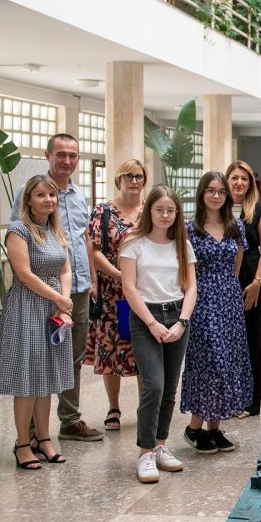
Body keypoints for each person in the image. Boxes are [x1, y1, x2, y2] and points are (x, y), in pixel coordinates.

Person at [12, 133, 102, 443]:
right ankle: (31, 430)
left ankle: (70, 419)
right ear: (48, 155)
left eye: (72, 155)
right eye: (61, 154)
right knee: (38, 359)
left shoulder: (79, 195)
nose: (67, 160)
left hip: (76, 287)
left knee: (73, 357)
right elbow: (20, 237)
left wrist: (91, 280)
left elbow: (84, 239)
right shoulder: (31, 191)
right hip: (41, 290)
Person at [120, 185, 197, 484]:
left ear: (177, 213)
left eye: (170, 211)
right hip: (145, 318)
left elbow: (191, 288)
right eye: (159, 210)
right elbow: (129, 288)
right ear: (149, 211)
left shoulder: (182, 245)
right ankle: (145, 452)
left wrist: (182, 322)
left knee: (169, 389)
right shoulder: (134, 243)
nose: (165, 215)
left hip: (177, 315)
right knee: (153, 385)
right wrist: (152, 323)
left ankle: (161, 445)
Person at [0, 175, 75, 469]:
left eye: (52, 195)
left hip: (54, 308)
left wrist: (64, 300)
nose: (48, 200)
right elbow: (24, 274)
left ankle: (44, 439)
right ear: (28, 200)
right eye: (41, 195)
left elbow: (65, 269)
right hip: (27, 306)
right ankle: (22, 443)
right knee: (28, 378)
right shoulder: (18, 230)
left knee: (47, 377)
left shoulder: (55, 230)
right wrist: (58, 298)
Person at [180, 173, 251, 454]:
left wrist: (228, 290)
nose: (216, 196)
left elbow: (237, 264)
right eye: (210, 190)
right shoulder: (190, 229)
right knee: (209, 363)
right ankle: (194, 427)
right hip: (201, 301)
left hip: (229, 301)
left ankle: (214, 428)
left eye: (221, 191)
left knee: (228, 362)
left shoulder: (236, 226)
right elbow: (184, 269)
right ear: (201, 194)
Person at [87, 159, 145, 431]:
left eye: (138, 176)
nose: (133, 181)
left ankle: (146, 406)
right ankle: (113, 406)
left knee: (144, 349)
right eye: (128, 176)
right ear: (118, 180)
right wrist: (119, 275)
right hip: (113, 290)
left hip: (145, 289)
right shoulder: (103, 211)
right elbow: (94, 250)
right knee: (111, 349)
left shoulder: (150, 210)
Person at [226, 160, 261, 418]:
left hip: (251, 279)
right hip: (223, 281)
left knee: (252, 343)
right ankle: (228, 398)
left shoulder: (259, 209)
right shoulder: (218, 208)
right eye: (235, 178)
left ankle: (250, 403)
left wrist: (257, 282)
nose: (239, 182)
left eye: (244, 178)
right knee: (227, 343)